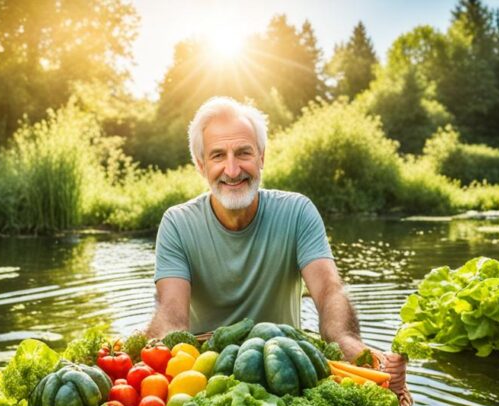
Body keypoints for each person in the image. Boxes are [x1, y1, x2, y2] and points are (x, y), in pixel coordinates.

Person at [146, 96, 405, 390]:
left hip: (289, 373)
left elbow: (328, 289)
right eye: (218, 156)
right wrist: (148, 359)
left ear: (262, 157)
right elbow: (171, 314)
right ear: (200, 165)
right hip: (204, 378)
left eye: (243, 152)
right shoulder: (177, 223)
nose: (232, 170)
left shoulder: (297, 212)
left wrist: (347, 342)